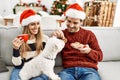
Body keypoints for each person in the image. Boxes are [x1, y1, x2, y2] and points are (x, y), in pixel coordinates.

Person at [52, 2, 103, 80]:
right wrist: (54, 39)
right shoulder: (62, 34)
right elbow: (52, 54)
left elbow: (100, 56)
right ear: (66, 19)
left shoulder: (89, 34)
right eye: (69, 21)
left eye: (75, 23)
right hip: (68, 71)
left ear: (81, 22)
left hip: (88, 70)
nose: (71, 25)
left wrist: (89, 51)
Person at [10, 9, 49, 80]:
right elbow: (17, 65)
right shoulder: (20, 40)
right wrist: (15, 49)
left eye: (38, 23)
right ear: (26, 26)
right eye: (32, 24)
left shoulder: (45, 39)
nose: (36, 27)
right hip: (22, 68)